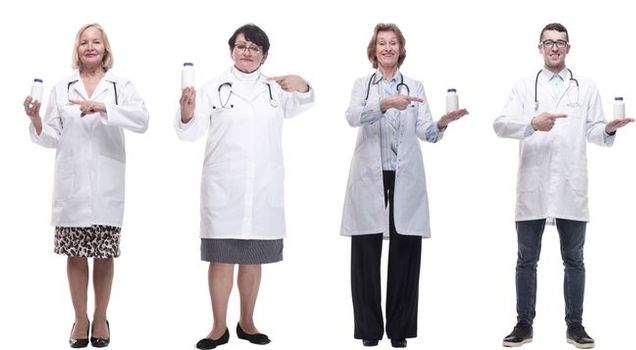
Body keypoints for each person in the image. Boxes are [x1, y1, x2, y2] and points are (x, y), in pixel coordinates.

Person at [494, 22, 636, 349]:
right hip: (533, 186)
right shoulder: (523, 86)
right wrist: (531, 123)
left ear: (568, 48)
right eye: (549, 42)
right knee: (526, 259)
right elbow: (500, 125)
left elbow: (596, 133)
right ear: (540, 48)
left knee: (574, 259)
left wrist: (610, 129)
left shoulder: (584, 87)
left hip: (571, 186)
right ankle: (523, 324)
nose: (554, 48)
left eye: (560, 43)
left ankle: (575, 326)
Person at [176, 23, 315, 350]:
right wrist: (186, 112)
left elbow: (305, 102)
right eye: (241, 46)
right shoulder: (213, 88)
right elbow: (190, 131)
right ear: (231, 50)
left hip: (263, 188)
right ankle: (218, 327)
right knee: (222, 258)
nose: (247, 52)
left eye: (254, 48)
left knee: (253, 258)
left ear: (264, 54)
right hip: (224, 189)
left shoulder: (275, 89)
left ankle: (247, 322)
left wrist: (303, 84)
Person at [340, 23, 469, 348]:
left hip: (404, 175)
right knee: (365, 254)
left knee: (406, 252)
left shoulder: (415, 86)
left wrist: (441, 122)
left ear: (400, 49)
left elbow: (426, 131)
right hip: (370, 175)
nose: (387, 48)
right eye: (382, 43)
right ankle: (369, 331)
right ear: (374, 49)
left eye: (393, 43)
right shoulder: (362, 85)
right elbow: (352, 116)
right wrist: (384, 104)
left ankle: (399, 330)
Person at [22, 23, 149, 349]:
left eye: (96, 42)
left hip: (107, 185)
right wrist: (35, 119)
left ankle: (101, 317)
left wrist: (102, 106)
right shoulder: (62, 87)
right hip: (73, 186)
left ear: (105, 48)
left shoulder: (121, 85)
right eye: (83, 43)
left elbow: (142, 120)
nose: (90, 47)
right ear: (76, 49)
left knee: (104, 256)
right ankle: (80, 318)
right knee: (76, 255)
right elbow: (50, 135)